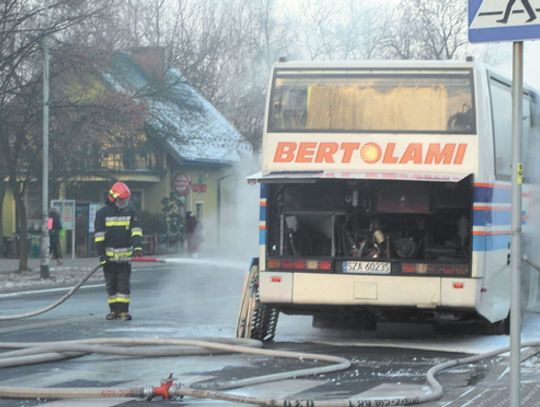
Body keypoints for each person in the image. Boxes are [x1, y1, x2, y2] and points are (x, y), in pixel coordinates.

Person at [94, 181, 143, 321]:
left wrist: (137, 247)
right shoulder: (101, 214)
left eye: (127, 200)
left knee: (123, 286)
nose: (125, 203)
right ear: (113, 198)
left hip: (125, 258)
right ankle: (113, 311)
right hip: (108, 259)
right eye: (122, 200)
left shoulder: (131, 213)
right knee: (111, 286)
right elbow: (99, 237)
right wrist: (101, 255)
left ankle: (123, 312)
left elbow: (136, 232)